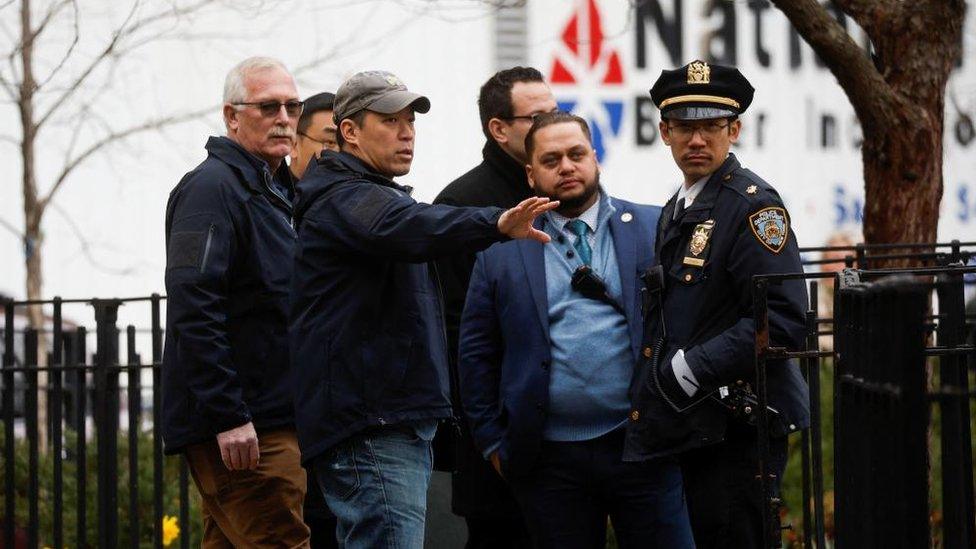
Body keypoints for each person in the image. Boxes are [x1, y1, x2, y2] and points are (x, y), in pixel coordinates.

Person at [289, 70, 559, 549]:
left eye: (410, 121)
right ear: (349, 131)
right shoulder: (345, 197)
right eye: (390, 120)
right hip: (372, 422)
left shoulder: (366, 193)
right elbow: (411, 225)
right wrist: (496, 222)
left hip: (387, 418)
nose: (406, 131)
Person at [459, 111, 694, 549]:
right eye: (551, 160)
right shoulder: (500, 253)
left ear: (595, 159)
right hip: (549, 461)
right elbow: (476, 356)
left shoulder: (653, 227)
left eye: (576, 154)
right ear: (531, 175)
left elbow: (689, 322)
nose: (566, 166)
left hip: (642, 445)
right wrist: (492, 441)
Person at [623, 60, 810, 548]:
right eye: (685, 127)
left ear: (735, 129)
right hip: (700, 423)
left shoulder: (752, 205)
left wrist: (688, 369)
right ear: (664, 132)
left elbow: (784, 321)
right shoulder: (682, 203)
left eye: (711, 126)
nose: (697, 140)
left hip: (739, 424)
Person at [162, 57, 310, 547]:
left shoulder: (274, 190)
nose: (285, 118)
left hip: (266, 416)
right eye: (268, 106)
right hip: (246, 427)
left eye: (293, 106)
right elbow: (193, 305)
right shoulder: (212, 189)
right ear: (232, 116)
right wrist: (229, 414)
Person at [432, 66, 557, 548]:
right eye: (537, 116)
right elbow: (456, 329)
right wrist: (488, 433)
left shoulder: (566, 192)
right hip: (499, 428)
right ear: (499, 128)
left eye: (557, 111)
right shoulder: (462, 205)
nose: (551, 124)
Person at [290, 91, 338, 179]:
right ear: (293, 144)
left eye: (345, 144)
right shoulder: (264, 190)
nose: (340, 153)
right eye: (330, 142)